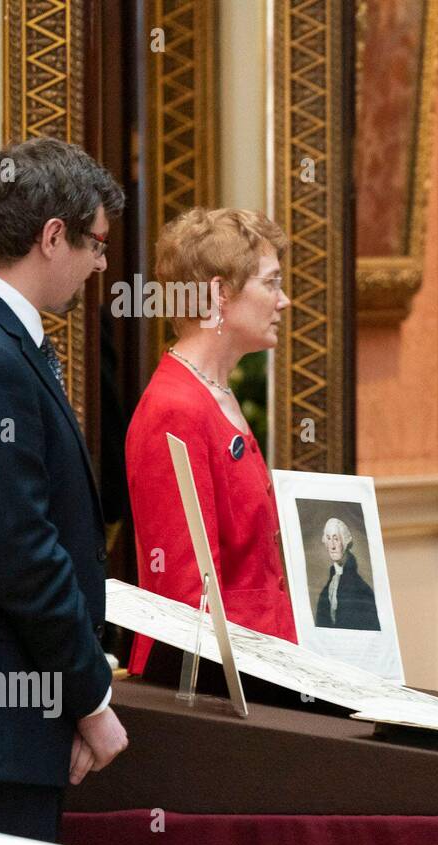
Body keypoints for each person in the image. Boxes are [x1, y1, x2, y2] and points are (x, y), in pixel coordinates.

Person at [0, 137, 128, 841]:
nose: (102, 264)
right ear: (52, 236)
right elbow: (18, 550)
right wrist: (90, 696)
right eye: (95, 243)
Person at [126, 208, 297, 688]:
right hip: (223, 689)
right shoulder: (175, 408)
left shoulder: (212, 394)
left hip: (264, 667)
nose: (284, 301)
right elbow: (185, 597)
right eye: (271, 283)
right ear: (221, 294)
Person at [315, 518, 380, 631]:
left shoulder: (361, 590)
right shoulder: (327, 588)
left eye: (336, 539)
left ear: (345, 542)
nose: (332, 546)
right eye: (329, 539)